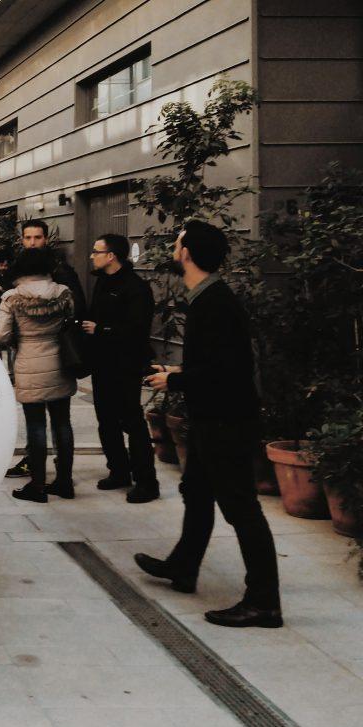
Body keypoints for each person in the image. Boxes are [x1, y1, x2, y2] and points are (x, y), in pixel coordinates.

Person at [139, 220, 282, 629]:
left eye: (178, 242)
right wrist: (178, 372)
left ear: (187, 253)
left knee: (242, 508)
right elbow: (218, 363)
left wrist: (177, 380)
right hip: (212, 417)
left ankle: (264, 603)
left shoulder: (214, 303)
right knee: (197, 491)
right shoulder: (206, 297)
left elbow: (228, 372)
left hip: (226, 421)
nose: (174, 246)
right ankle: (183, 567)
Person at [0, 248, 76, 502]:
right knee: (62, 423)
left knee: (36, 425)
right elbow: (70, 321)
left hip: (28, 365)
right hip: (60, 363)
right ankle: (64, 482)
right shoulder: (63, 293)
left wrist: (18, 339)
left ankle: (37, 486)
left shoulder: (12, 297)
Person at [5, 219, 87, 478]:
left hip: (54, 354)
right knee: (50, 420)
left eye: (37, 237)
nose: (32, 243)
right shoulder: (20, 266)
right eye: (28, 238)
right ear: (22, 240)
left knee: (45, 421)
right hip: (31, 353)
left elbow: (78, 309)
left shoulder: (60, 271)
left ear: (46, 239)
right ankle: (51, 473)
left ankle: (49, 476)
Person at [82, 233, 159, 503]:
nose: (92, 255)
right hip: (102, 363)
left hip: (126, 364)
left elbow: (137, 330)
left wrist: (101, 330)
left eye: (96, 251)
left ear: (111, 256)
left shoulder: (136, 288)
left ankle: (147, 482)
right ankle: (119, 471)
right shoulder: (102, 282)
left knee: (132, 421)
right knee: (106, 421)